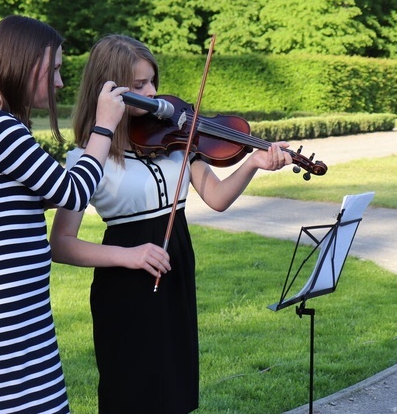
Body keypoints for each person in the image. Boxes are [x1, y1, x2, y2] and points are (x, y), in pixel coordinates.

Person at [49, 34, 292, 413]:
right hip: (125, 288)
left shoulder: (175, 136)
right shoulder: (86, 156)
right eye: (140, 85)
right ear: (109, 90)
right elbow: (61, 243)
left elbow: (216, 197)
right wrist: (129, 256)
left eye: (152, 81)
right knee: (131, 394)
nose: (154, 92)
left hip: (176, 272)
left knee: (174, 394)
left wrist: (252, 164)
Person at [0, 15, 130, 413]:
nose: (60, 83)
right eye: (55, 71)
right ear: (25, 64)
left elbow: (24, 197)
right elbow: (73, 191)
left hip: (17, 308)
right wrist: (103, 128)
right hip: (0, 314)